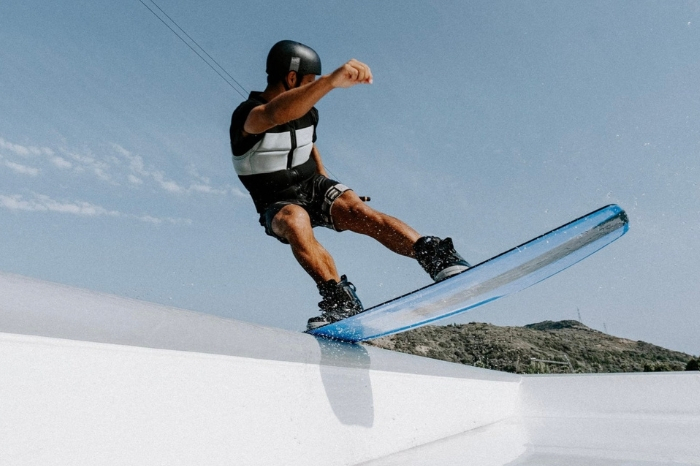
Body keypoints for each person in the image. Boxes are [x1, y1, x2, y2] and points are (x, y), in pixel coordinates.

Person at [229, 40, 470, 330]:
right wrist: (330, 82)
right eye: (309, 83)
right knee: (294, 220)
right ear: (291, 78)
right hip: (277, 199)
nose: (313, 89)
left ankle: (436, 258)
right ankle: (339, 300)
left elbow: (309, 145)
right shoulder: (247, 114)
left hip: (312, 184)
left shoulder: (309, 113)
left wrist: (332, 185)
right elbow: (274, 115)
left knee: (355, 209)